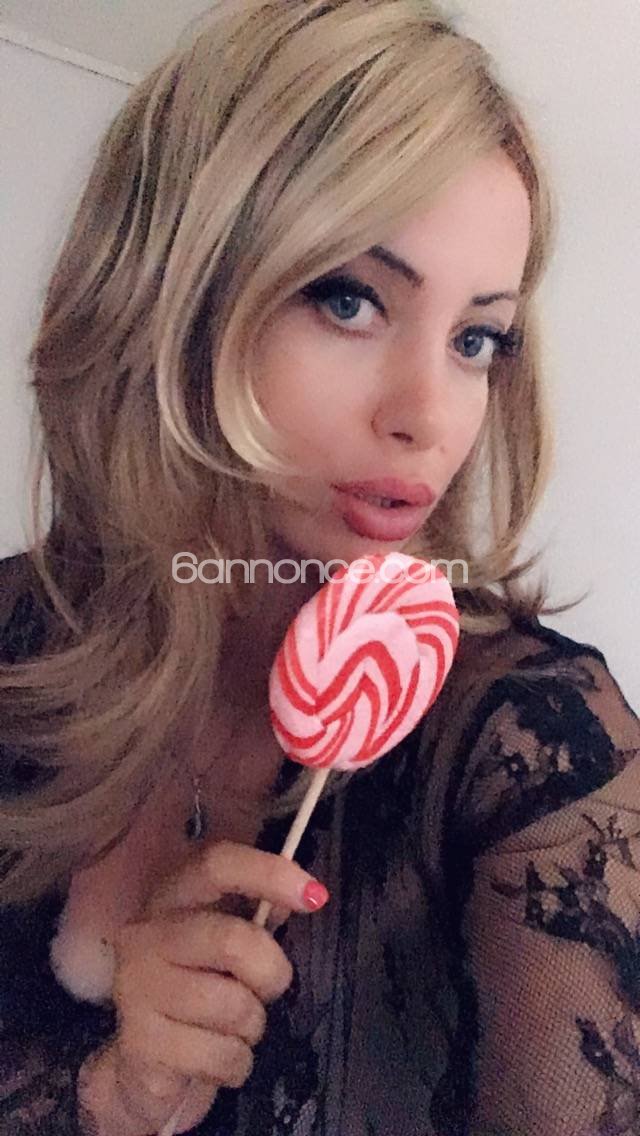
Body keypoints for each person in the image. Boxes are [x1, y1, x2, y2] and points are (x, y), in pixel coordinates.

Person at [1, 1, 639, 1133]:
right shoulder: (13, 643)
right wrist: (112, 1096)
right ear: (168, 298)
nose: (427, 416)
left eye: (476, 338)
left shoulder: (533, 743)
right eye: (349, 300)